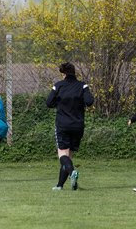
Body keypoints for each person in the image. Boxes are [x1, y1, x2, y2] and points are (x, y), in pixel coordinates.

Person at [46, 62, 94, 191]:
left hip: (62, 125)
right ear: (74, 72)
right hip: (78, 125)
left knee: (62, 155)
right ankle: (60, 185)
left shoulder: (58, 86)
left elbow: (48, 103)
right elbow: (89, 102)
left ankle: (72, 172)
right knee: (69, 156)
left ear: (63, 74)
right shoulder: (83, 86)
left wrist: (59, 102)